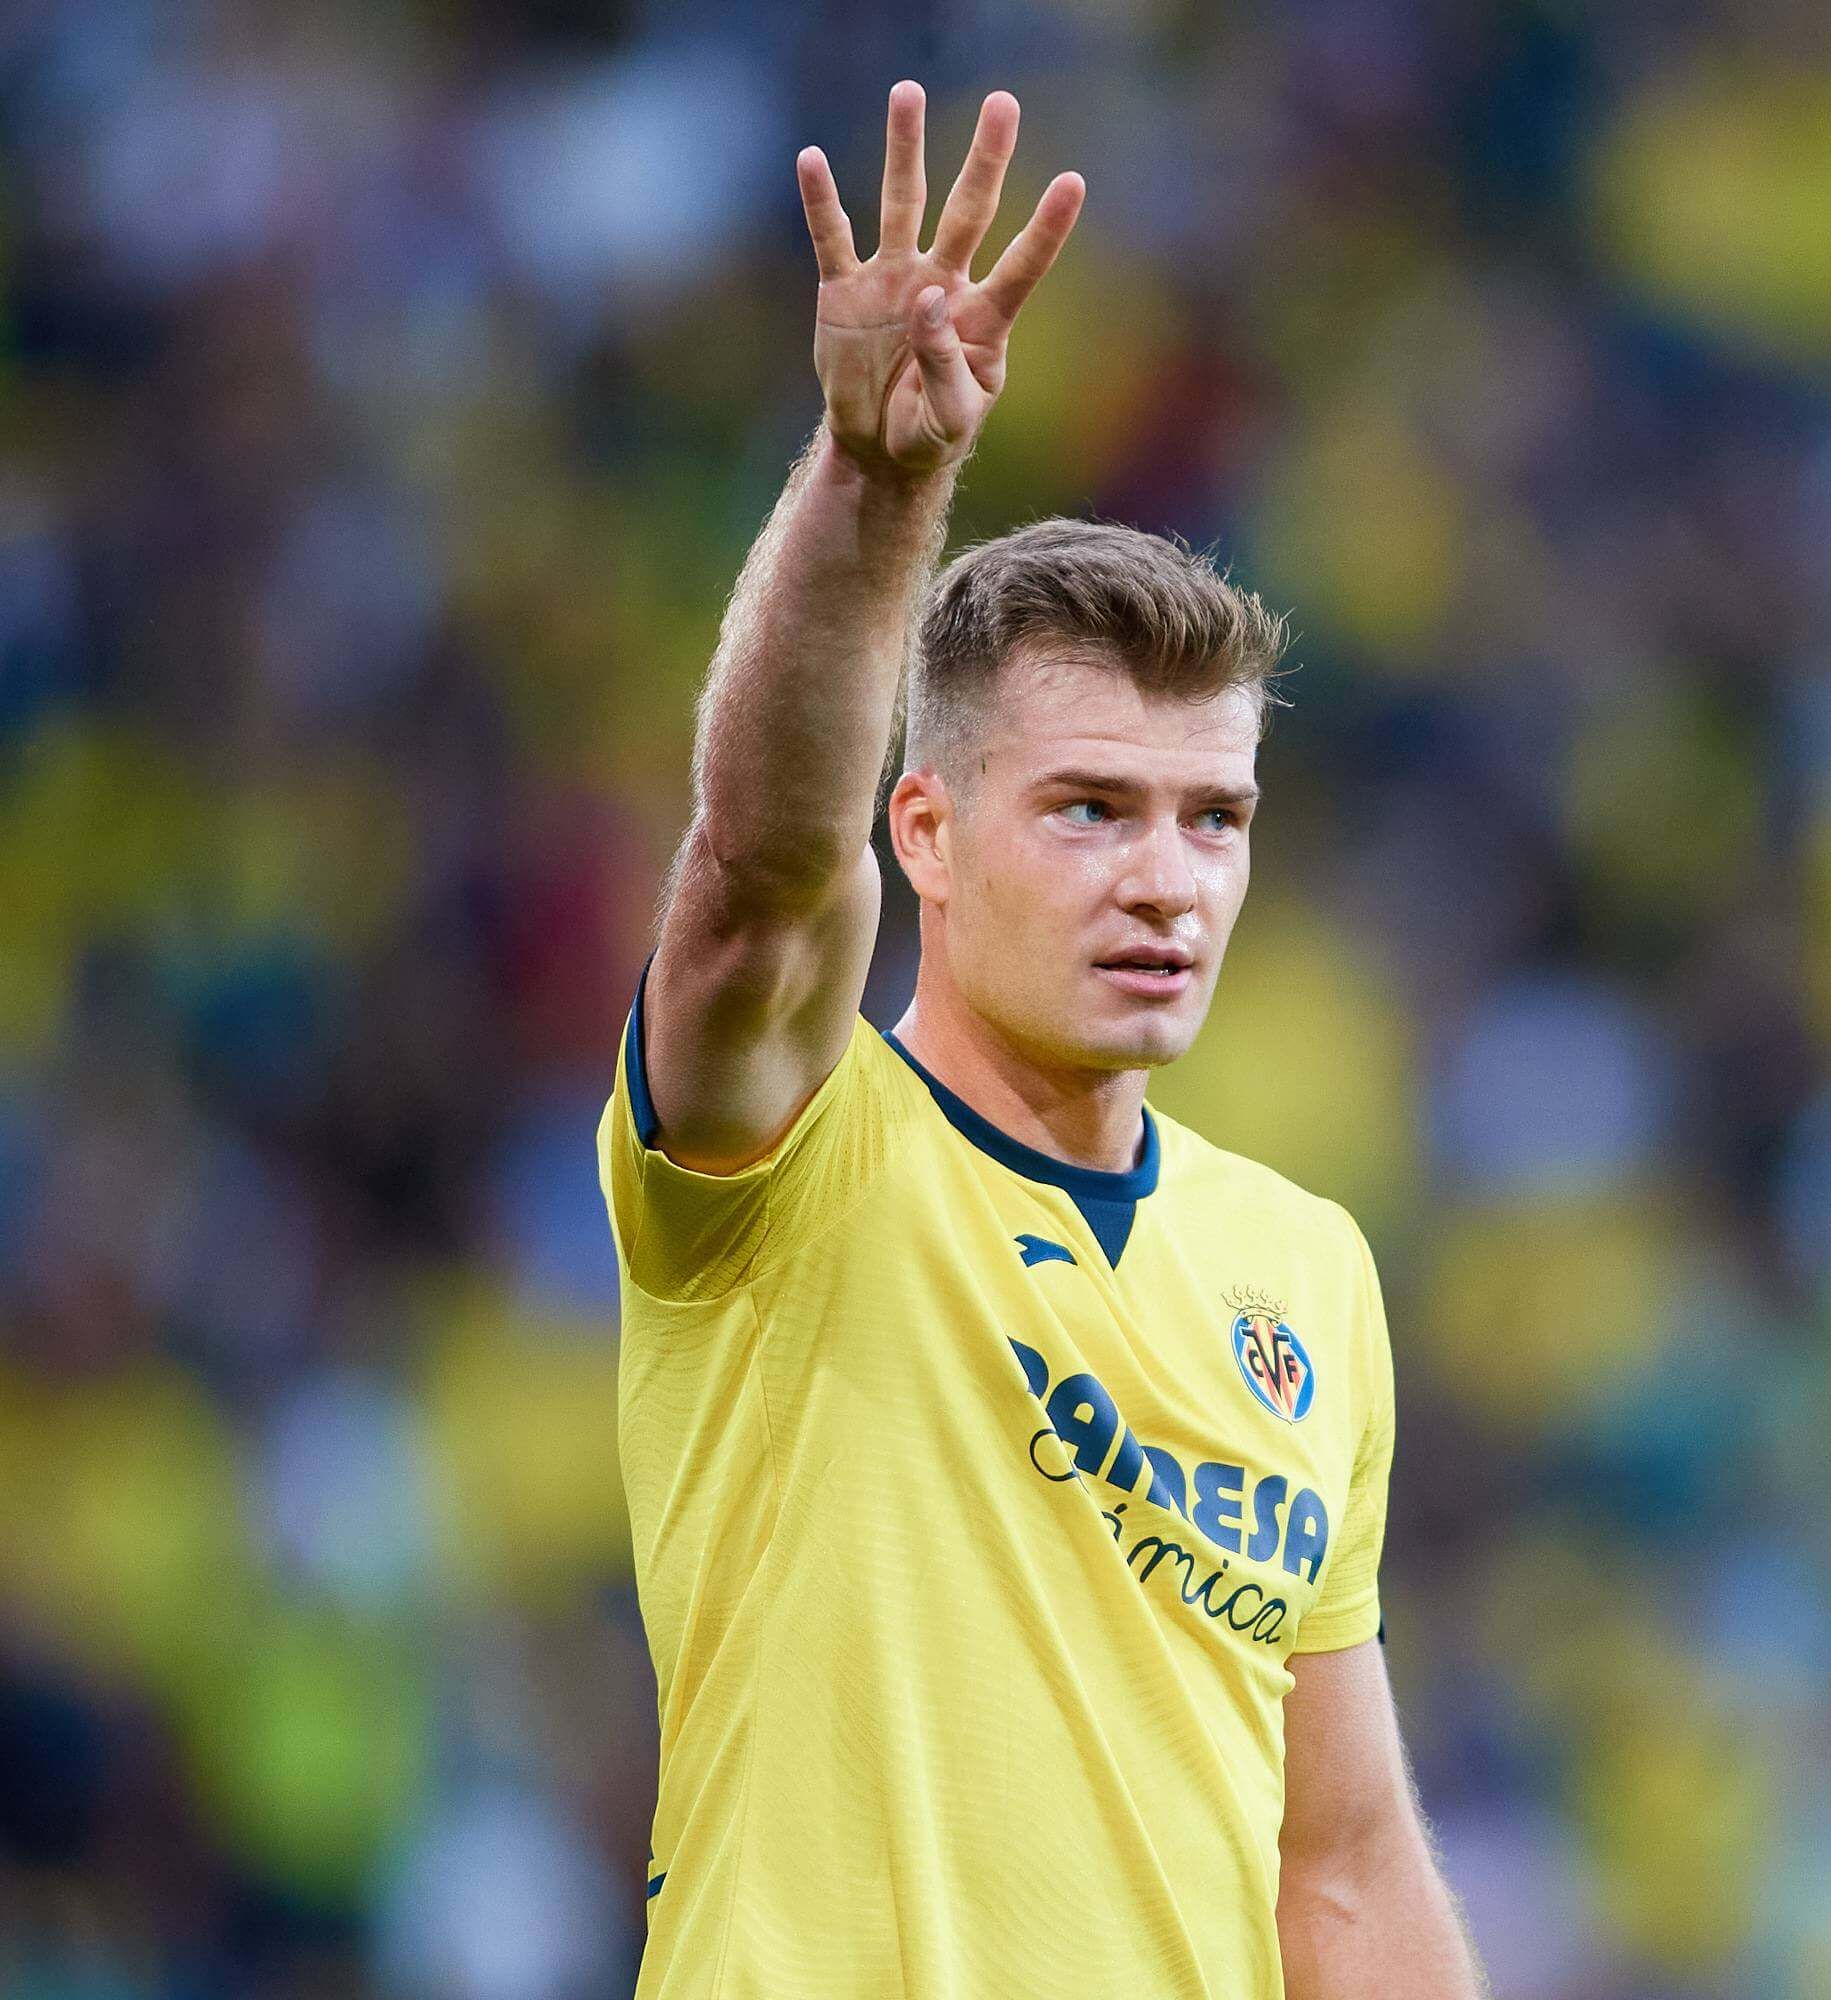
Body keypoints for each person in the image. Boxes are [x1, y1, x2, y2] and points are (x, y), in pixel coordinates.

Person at [596, 80, 1485, 2000]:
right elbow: (758, 867)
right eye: (1090, 809)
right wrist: (878, 484)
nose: (1167, 880)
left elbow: (1338, 1868)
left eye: (1214, 818)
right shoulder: (785, 1155)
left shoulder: (1304, 1273)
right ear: (924, 835)